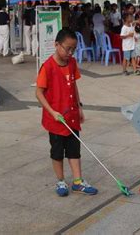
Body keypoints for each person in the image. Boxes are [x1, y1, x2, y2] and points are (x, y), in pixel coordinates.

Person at [35, 28, 98, 197]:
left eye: (73, 49)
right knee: (57, 152)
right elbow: (39, 93)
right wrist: (52, 111)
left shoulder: (72, 63)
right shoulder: (47, 67)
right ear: (57, 45)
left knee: (74, 150)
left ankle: (78, 182)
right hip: (55, 120)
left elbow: (74, 85)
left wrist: (79, 107)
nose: (70, 53)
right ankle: (61, 180)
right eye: (67, 48)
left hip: (71, 116)